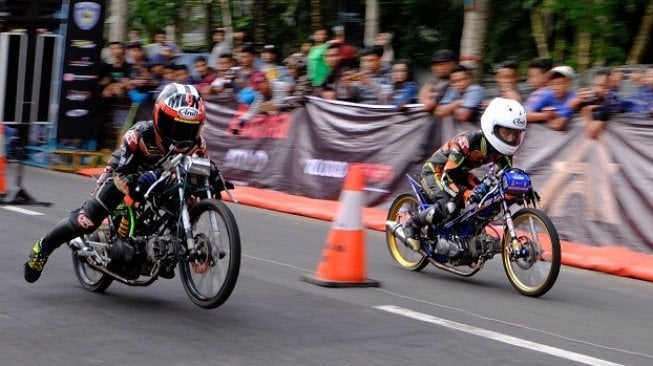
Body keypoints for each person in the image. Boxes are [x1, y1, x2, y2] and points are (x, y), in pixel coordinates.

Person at [24, 83, 208, 283]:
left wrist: (212, 178)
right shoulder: (138, 135)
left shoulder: (197, 144)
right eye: (175, 126)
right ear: (159, 118)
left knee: (188, 199)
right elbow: (122, 172)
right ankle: (43, 248)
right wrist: (140, 180)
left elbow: (201, 172)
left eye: (188, 129)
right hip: (123, 176)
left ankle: (169, 249)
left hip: (162, 180)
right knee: (86, 221)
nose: (180, 135)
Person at [392, 97, 527, 252]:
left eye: (515, 134)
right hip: (437, 172)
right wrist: (467, 194)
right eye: (506, 132)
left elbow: (500, 177)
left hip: (461, 174)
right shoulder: (467, 141)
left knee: (486, 200)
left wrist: (522, 190)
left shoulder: (504, 153)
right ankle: (412, 225)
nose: (511, 139)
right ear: (492, 127)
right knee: (451, 204)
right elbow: (447, 176)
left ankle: (466, 236)